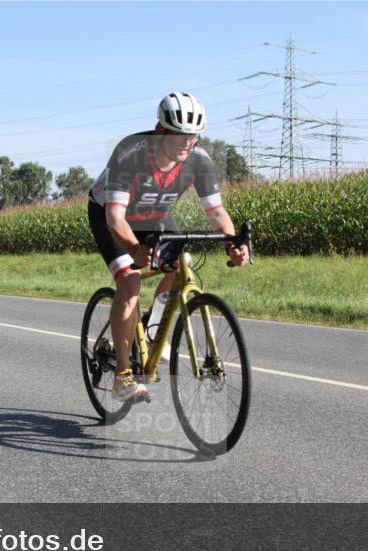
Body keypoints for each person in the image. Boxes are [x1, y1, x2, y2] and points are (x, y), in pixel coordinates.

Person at [87, 92, 250, 402]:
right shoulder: (130, 153)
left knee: (179, 266)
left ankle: (150, 326)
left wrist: (233, 244)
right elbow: (115, 217)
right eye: (180, 137)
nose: (187, 144)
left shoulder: (199, 160)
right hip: (110, 214)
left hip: (153, 214)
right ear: (160, 131)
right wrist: (135, 250)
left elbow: (216, 212)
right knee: (130, 280)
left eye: (193, 137)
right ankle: (123, 377)